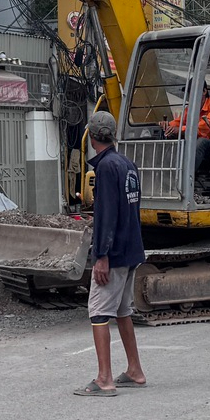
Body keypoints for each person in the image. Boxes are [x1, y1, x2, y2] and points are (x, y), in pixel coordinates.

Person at [76, 110, 146, 398]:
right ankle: (135, 370)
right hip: (132, 249)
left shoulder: (104, 168)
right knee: (122, 310)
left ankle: (104, 379)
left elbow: (106, 216)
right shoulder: (127, 164)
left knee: (99, 312)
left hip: (114, 253)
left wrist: (101, 256)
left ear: (92, 138)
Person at [163, 68, 210, 193]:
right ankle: (167, 181)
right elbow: (179, 122)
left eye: (193, 92)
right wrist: (166, 126)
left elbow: (202, 128)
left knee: (202, 142)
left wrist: (180, 130)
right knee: (172, 140)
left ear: (204, 91)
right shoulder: (192, 109)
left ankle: (185, 184)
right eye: (189, 93)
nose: (190, 97)